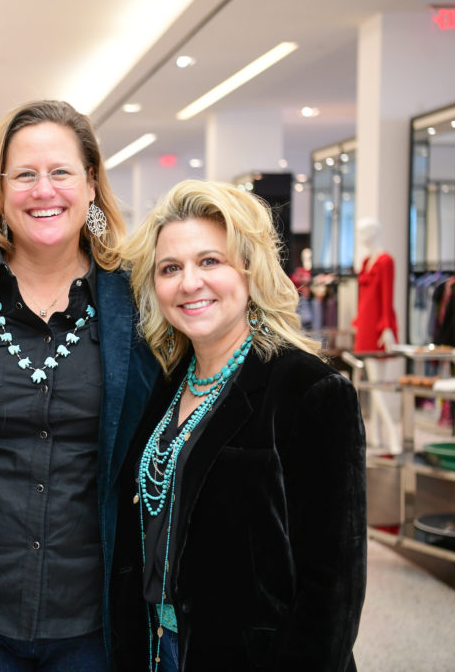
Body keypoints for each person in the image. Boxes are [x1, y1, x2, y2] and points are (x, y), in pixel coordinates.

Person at [0, 100, 159, 671]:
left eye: (61, 172)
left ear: (91, 184)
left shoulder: (138, 302)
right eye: (25, 174)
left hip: (94, 619)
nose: (43, 189)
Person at [114, 180, 367, 671]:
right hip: (159, 647)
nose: (190, 283)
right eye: (171, 268)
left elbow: (332, 588)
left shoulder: (309, 390)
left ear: (249, 270)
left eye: (210, 261)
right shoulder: (166, 383)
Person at [353, 217, 397, 352]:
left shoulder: (385, 261)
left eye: (362, 232)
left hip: (377, 323)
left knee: (376, 366)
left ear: (372, 232)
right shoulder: (366, 261)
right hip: (364, 321)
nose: (358, 236)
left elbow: (387, 296)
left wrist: (387, 327)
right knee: (364, 365)